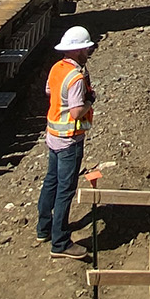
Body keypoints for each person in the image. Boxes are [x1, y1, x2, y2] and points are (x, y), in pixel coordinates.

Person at [38, 26, 97, 260]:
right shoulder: (76, 78)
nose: (89, 50)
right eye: (87, 47)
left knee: (50, 182)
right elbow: (75, 112)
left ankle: (44, 228)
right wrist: (90, 101)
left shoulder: (57, 68)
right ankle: (60, 242)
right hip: (69, 140)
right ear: (79, 49)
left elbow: (49, 92)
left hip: (52, 135)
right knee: (65, 190)